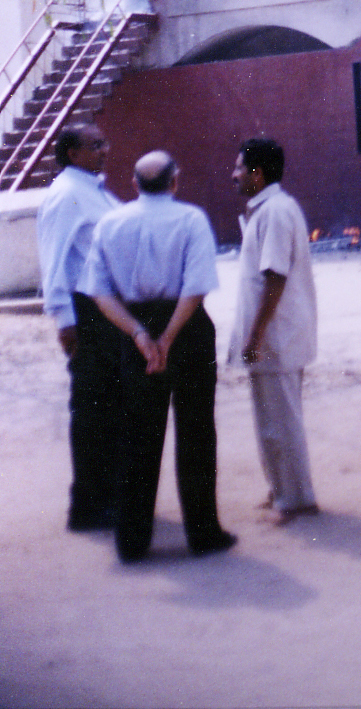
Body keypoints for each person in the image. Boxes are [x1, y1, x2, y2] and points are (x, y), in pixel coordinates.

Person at [80, 150, 236, 563]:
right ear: (175, 181)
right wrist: (168, 338)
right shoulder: (191, 219)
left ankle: (131, 541)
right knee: (196, 431)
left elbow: (99, 292)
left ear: (134, 184)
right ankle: (203, 533)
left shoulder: (111, 223)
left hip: (136, 331)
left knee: (137, 435)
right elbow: (196, 286)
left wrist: (139, 335)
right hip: (187, 330)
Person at [35, 122, 122, 531]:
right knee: (91, 410)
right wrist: (64, 319)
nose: (104, 150)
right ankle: (88, 506)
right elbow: (54, 260)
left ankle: (110, 496)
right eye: (95, 145)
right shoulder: (67, 194)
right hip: (85, 313)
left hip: (108, 311)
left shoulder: (95, 190)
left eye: (104, 142)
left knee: (111, 407)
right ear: (73, 153)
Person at [229, 137, 319, 524]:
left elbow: (275, 278)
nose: (233, 175)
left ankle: (295, 499)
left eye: (239, 168)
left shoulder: (276, 212)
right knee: (271, 420)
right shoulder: (267, 210)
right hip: (273, 336)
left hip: (276, 337)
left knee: (280, 422)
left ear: (257, 173)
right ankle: (281, 490)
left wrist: (255, 336)